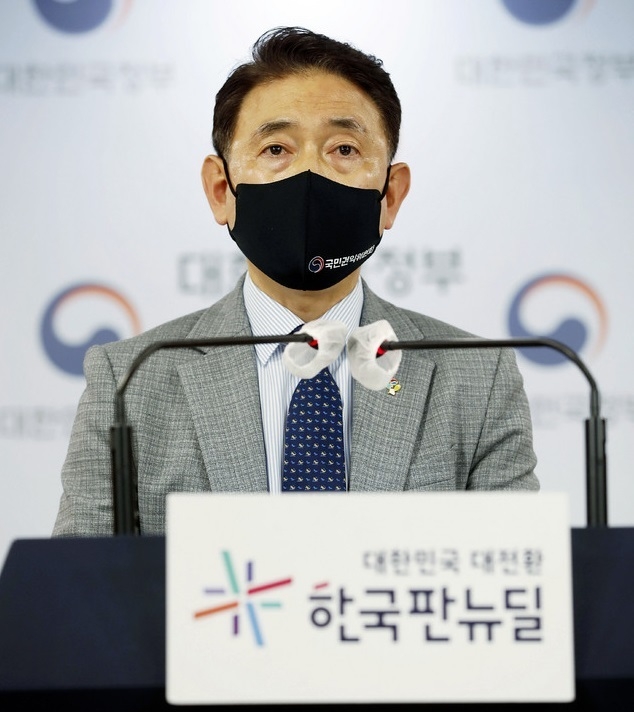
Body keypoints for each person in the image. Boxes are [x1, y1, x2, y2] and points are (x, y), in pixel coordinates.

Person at [52, 26, 538, 537]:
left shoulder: (478, 379)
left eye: (344, 149)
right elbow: (84, 577)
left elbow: (518, 565)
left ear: (391, 196)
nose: (310, 174)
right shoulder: (129, 382)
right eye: (276, 149)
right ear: (220, 190)